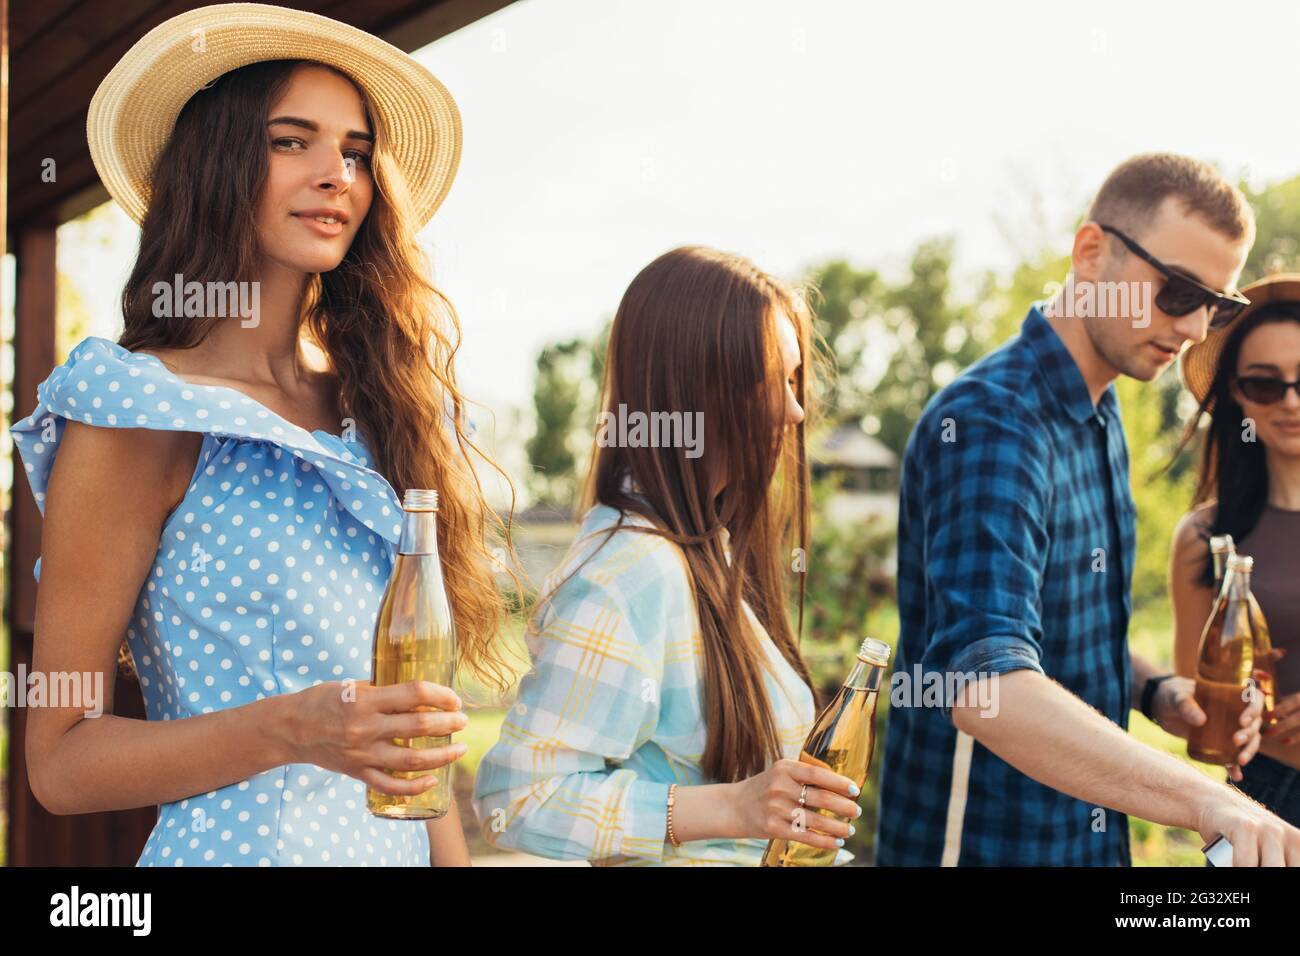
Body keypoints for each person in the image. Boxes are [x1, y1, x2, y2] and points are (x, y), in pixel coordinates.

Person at [11, 4, 515, 866]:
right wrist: (294, 728)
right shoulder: (137, 412)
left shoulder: (381, 412)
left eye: (356, 153)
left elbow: (412, 737)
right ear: (217, 164)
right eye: (293, 141)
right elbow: (60, 761)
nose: (338, 175)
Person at [876, 152, 1300, 866]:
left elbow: (1065, 633)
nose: (1196, 327)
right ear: (1090, 252)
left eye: (1216, 306)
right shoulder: (993, 422)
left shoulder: (1100, 416)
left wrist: (1160, 692)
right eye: (1177, 291)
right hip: (986, 847)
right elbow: (986, 686)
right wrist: (1212, 800)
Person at [472, 246, 862, 865]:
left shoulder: (702, 553)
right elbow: (517, 797)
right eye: (772, 382)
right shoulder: (630, 574)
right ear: (700, 391)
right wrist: (734, 808)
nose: (795, 410)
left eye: (796, 381)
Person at [1171, 274, 1300, 826]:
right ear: (1238, 396)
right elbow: (1195, 705)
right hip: (1263, 797)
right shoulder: (1203, 540)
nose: (1291, 400)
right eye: (1266, 384)